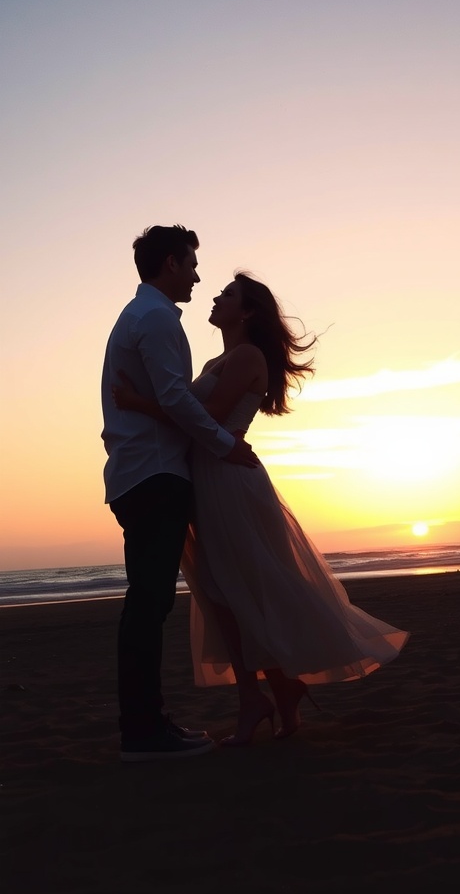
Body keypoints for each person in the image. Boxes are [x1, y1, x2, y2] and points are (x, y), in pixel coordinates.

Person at [114, 271, 409, 747]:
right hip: (207, 479)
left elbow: (204, 420)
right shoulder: (218, 358)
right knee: (223, 591)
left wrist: (135, 403)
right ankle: (272, 691)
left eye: (228, 295)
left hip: (229, 481)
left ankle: (266, 693)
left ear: (247, 311)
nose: (215, 296)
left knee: (240, 587)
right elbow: (188, 413)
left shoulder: (248, 356)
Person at [101, 225, 259, 763]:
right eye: (191, 264)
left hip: (141, 472)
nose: (196, 275)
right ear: (170, 264)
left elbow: (154, 400)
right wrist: (223, 443)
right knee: (148, 605)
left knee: (149, 603)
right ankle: (143, 731)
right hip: (154, 475)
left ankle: (147, 723)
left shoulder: (142, 316)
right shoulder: (156, 319)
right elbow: (175, 398)